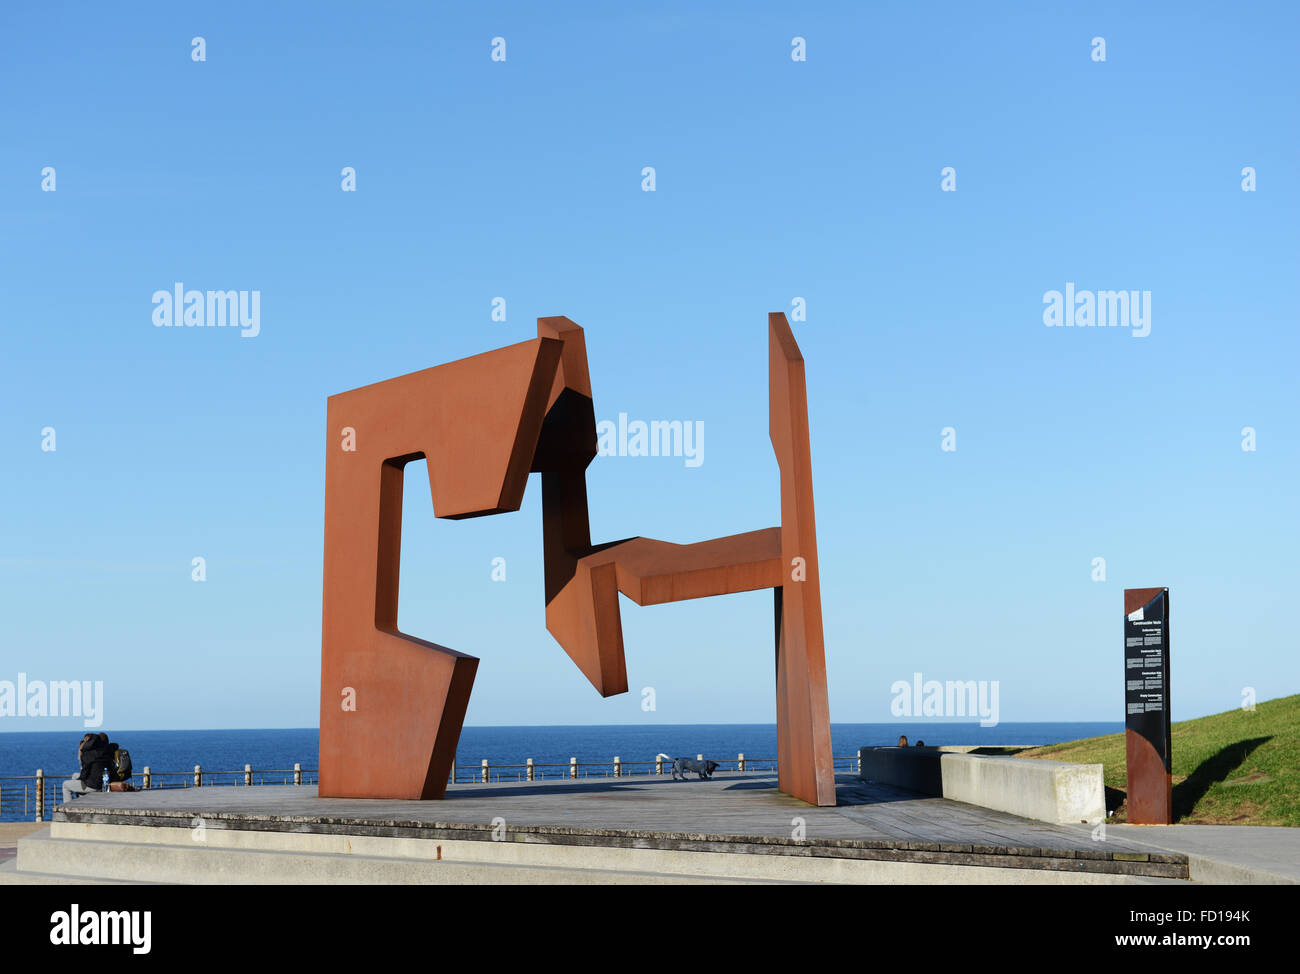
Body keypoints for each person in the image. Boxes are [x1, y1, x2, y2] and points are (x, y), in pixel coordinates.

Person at [61, 732, 114, 803]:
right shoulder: (103, 751)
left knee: (65, 785)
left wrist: (80, 780)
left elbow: (84, 774)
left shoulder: (89, 754)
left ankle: (67, 809)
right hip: (103, 782)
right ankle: (82, 801)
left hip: (94, 786)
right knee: (74, 776)